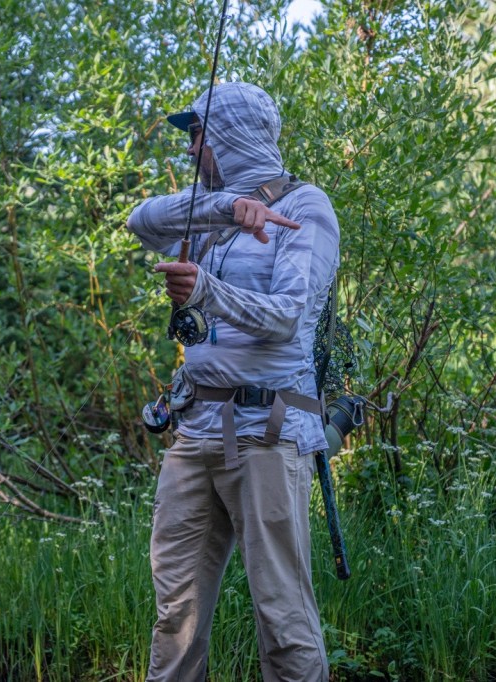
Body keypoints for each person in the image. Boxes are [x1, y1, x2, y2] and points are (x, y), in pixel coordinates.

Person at [126, 82, 339, 681]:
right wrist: (226, 207)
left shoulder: (306, 207)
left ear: (228, 134)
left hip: (267, 435)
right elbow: (139, 221)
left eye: (198, 133)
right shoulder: (211, 210)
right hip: (194, 433)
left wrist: (205, 292)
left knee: (282, 615)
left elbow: (290, 316)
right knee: (175, 615)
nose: (192, 149)